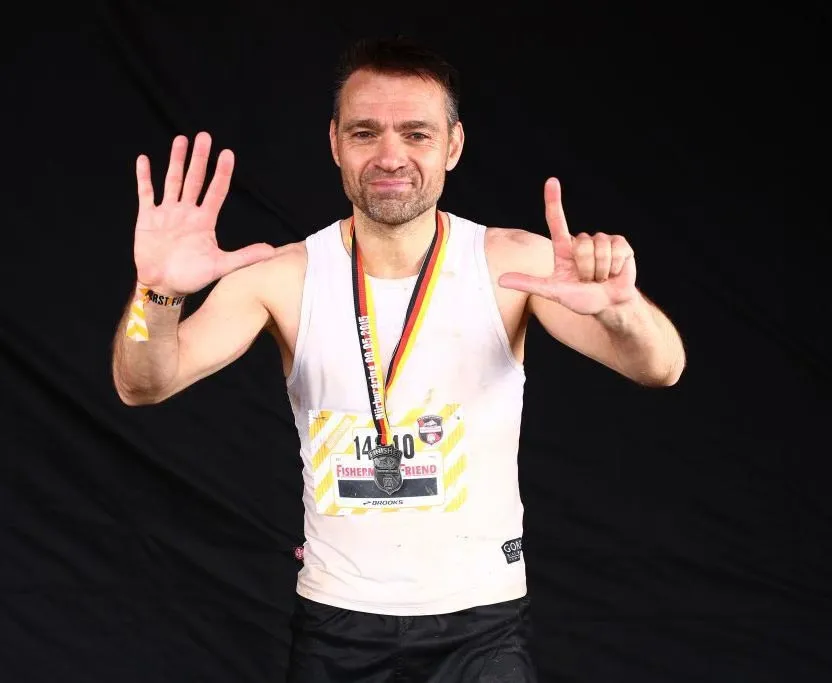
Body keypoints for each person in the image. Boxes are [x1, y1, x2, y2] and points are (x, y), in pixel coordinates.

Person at [112, 36, 686, 683]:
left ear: (453, 145)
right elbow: (143, 383)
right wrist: (156, 293)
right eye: (366, 133)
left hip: (481, 623)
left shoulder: (512, 265)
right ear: (335, 143)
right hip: (337, 623)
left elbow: (660, 366)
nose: (390, 156)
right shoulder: (282, 276)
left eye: (416, 134)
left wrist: (621, 307)